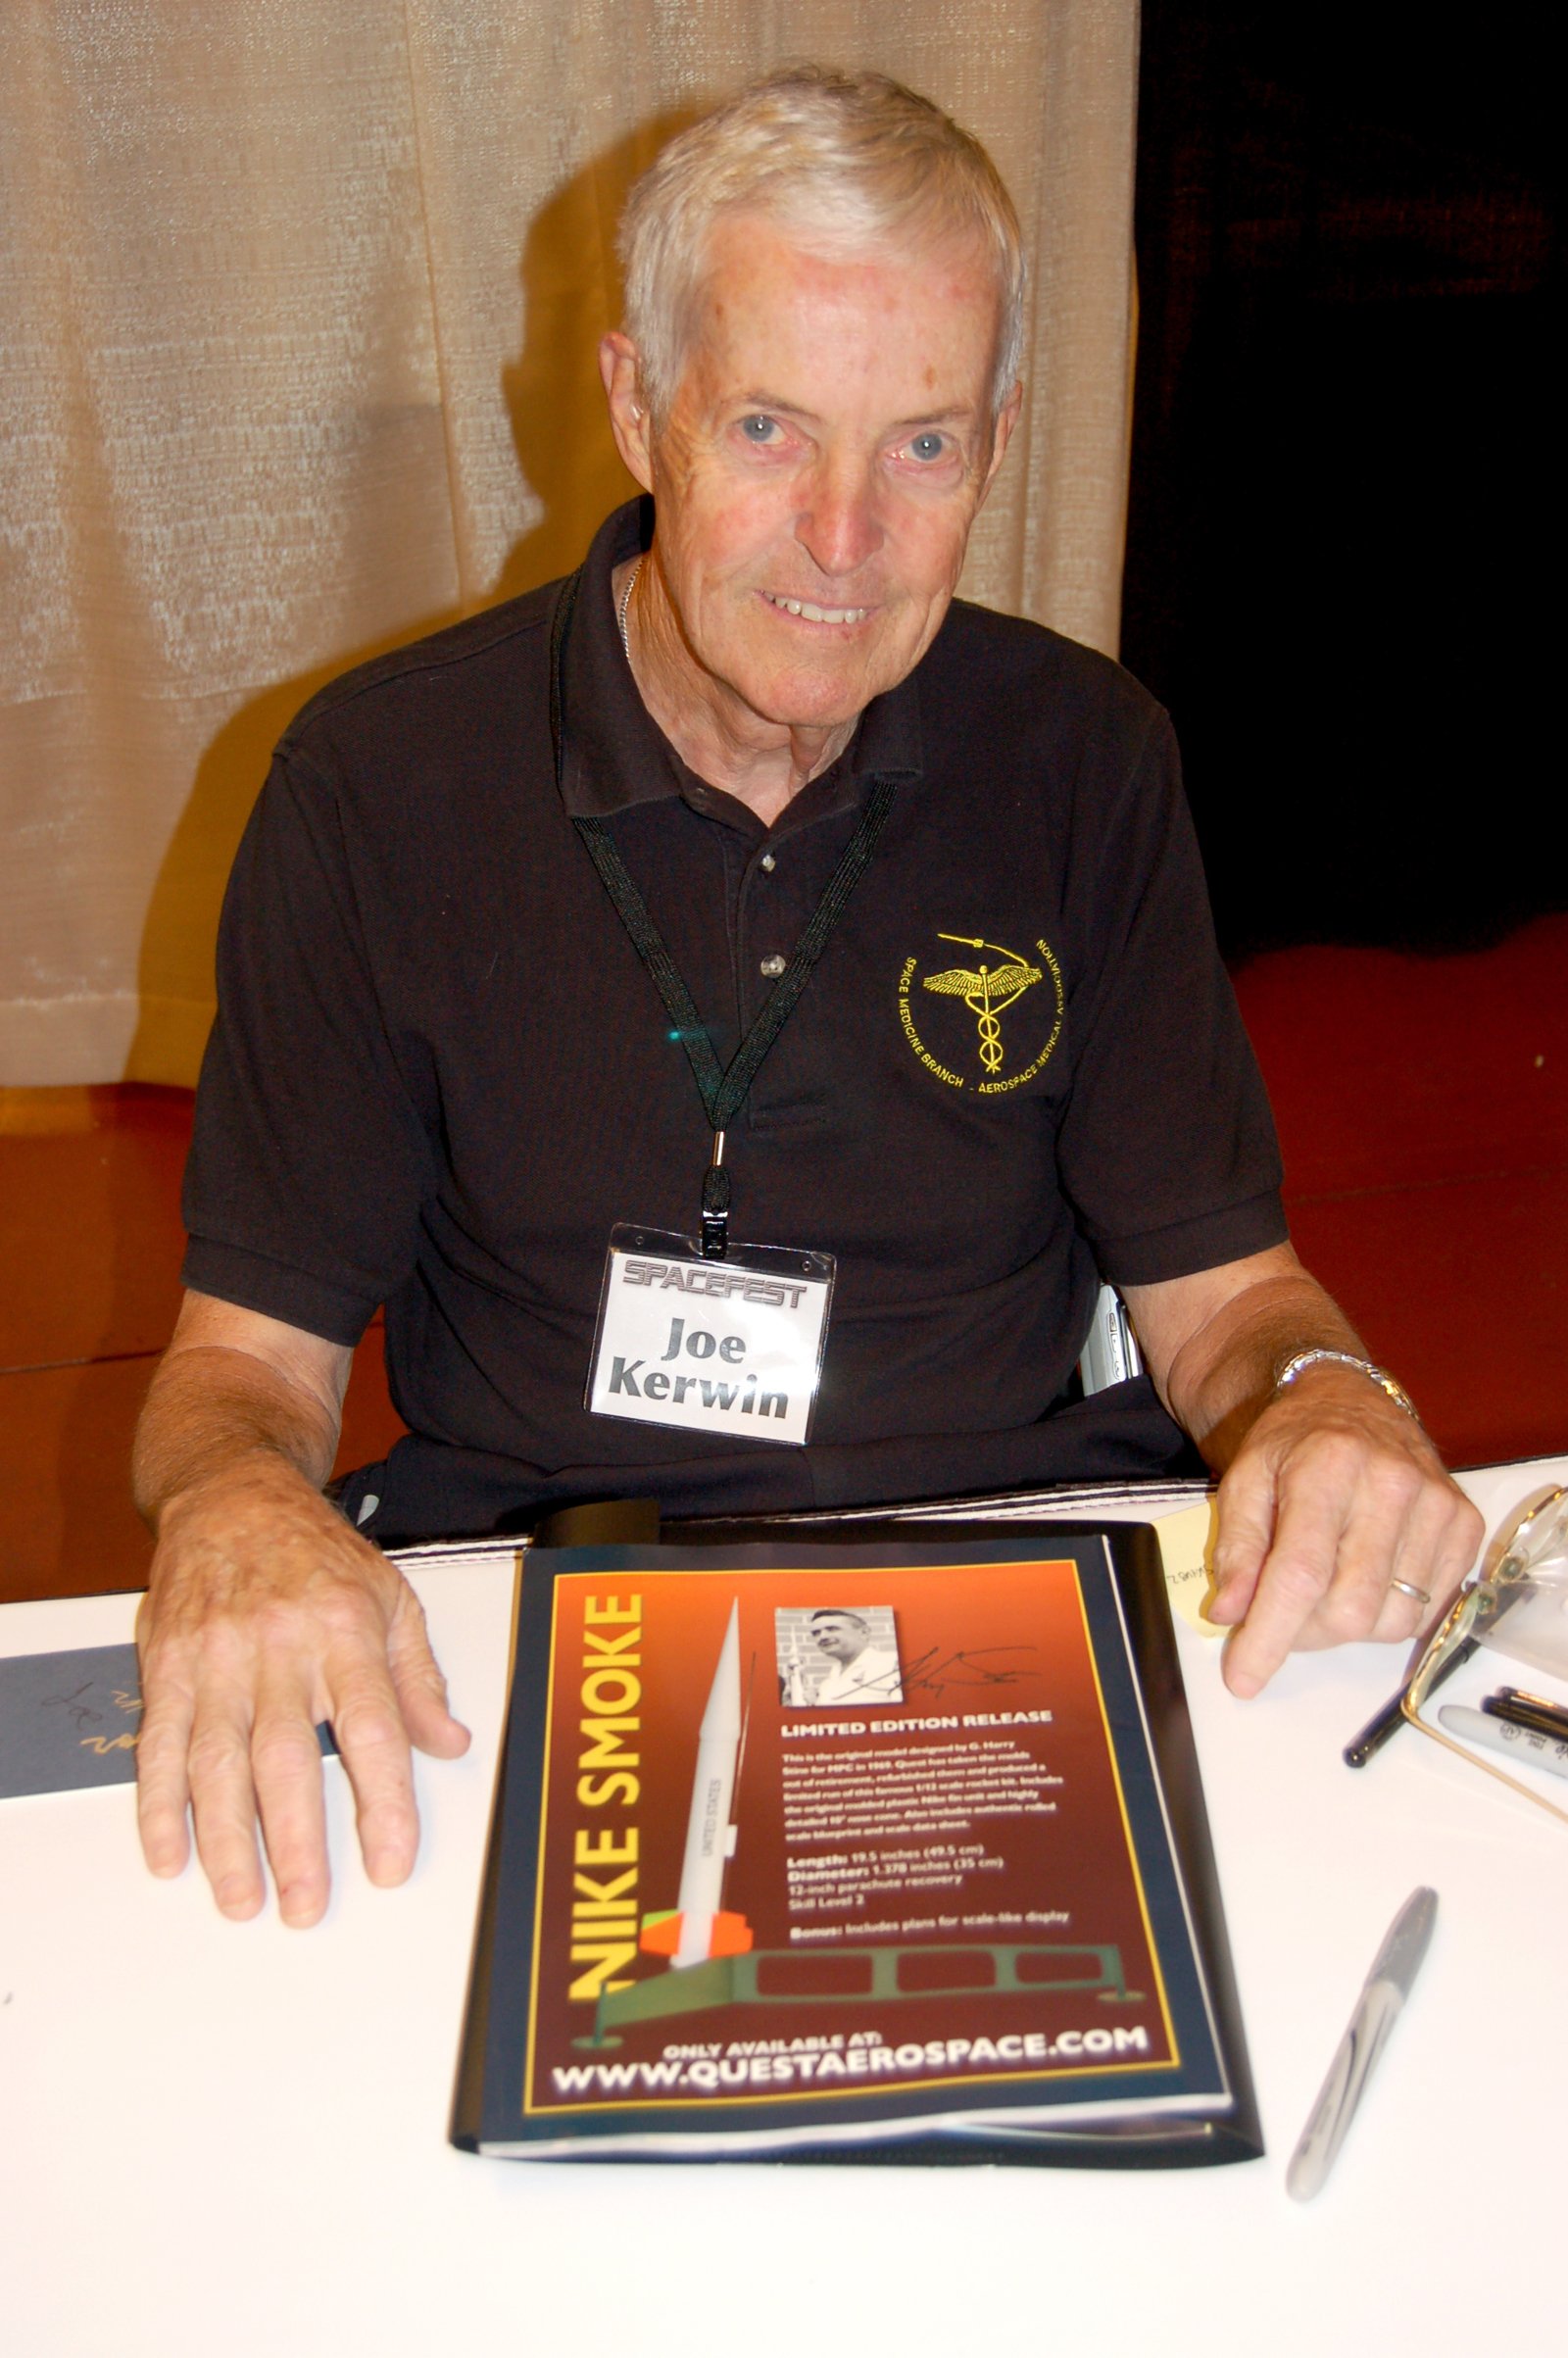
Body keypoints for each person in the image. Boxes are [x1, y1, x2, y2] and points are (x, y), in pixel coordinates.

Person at [131, 66, 1481, 1929]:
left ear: (997, 443)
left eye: (921, 445)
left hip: (1017, 1584)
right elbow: (241, 1374)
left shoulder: (1085, 758)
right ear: (638, 407)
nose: (844, 538)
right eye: (769, 427)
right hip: (548, 1588)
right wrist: (236, 1507)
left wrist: (1332, 1397)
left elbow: (1232, 1305)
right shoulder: (379, 789)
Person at [806, 1610, 904, 1707]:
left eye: (832, 1629)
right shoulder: (827, 1683)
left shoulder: (891, 1664)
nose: (822, 1636)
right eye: (816, 1633)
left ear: (864, 1632)